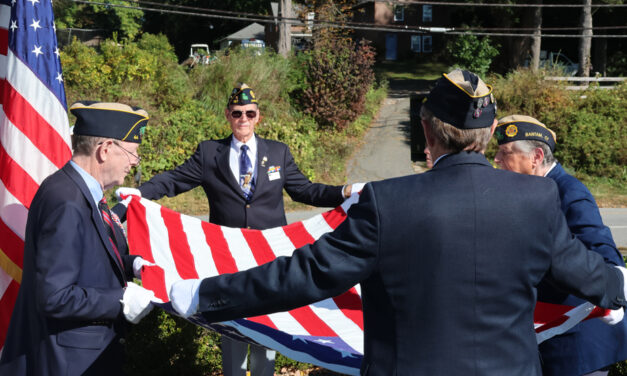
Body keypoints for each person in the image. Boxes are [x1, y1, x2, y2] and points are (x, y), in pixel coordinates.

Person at [168, 70, 627, 375]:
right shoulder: (538, 199)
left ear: (426, 131)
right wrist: (616, 287)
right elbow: (588, 274)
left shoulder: (388, 202)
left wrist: (203, 294)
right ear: (488, 134)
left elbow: (303, 276)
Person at [114, 83, 354, 376]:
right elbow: (173, 180)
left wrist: (345, 191)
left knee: (268, 326)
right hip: (227, 256)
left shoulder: (278, 152)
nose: (244, 118)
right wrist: (139, 194)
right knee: (232, 326)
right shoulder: (209, 153)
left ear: (258, 117)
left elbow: (306, 191)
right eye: (237, 113)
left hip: (269, 256)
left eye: (249, 113)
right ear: (228, 115)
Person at [0, 101, 159, 375]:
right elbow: (54, 296)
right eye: (132, 153)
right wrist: (120, 300)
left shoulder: (80, 191)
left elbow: (88, 257)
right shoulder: (66, 201)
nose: (135, 162)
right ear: (105, 149)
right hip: (67, 361)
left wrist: (131, 263)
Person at [494, 115, 627, 376]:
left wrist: (612, 287)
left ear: (536, 157)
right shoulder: (530, 192)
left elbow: (603, 253)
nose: (496, 160)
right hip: (549, 340)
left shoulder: (569, 191)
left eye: (504, 153)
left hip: (580, 346)